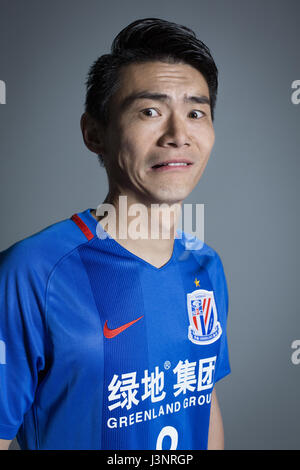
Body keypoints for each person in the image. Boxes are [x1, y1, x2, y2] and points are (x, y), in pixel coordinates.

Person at [0, 18, 230, 450]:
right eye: (150, 111)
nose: (179, 135)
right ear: (94, 133)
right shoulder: (31, 272)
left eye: (196, 113)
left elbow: (201, 400)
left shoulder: (206, 265)